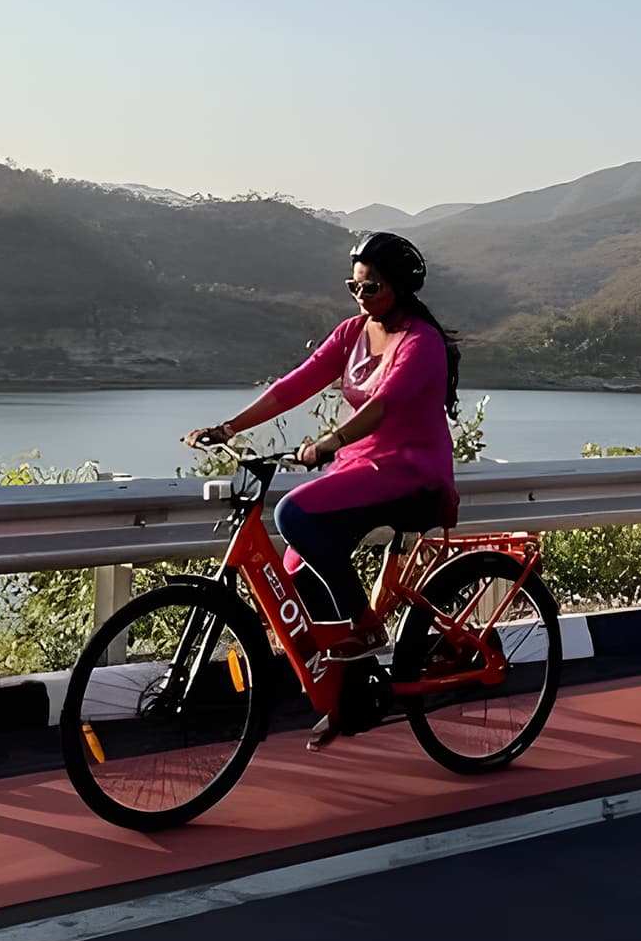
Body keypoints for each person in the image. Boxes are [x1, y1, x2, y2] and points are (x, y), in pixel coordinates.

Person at [187, 231, 459, 661]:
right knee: (295, 579)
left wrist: (330, 443)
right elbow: (294, 385)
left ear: (399, 287)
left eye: (372, 287)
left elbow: (382, 406)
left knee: (292, 513)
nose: (361, 296)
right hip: (362, 468)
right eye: (354, 286)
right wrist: (229, 428)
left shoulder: (420, 342)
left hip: (410, 472)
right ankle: (346, 693)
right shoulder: (353, 332)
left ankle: (366, 626)